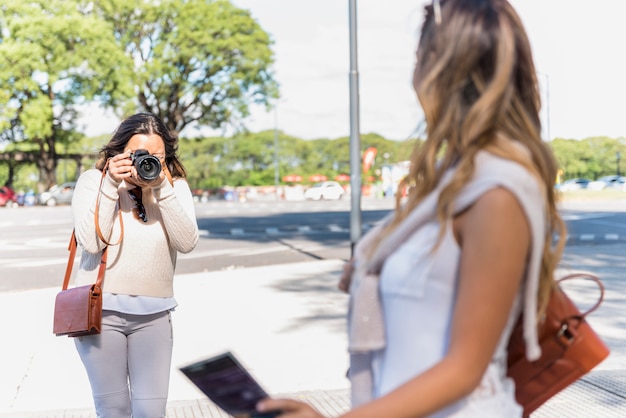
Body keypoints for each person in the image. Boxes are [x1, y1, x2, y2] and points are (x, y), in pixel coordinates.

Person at [257, 0, 566, 417]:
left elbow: (463, 369)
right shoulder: (451, 177)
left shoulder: (500, 188)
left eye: (419, 59)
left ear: (441, 69)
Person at [71, 112, 199, 417]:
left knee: (151, 412)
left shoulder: (174, 187)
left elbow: (187, 242)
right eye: (138, 154)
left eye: (157, 156)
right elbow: (91, 242)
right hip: (99, 314)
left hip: (154, 316)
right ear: (119, 153)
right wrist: (111, 184)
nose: (147, 162)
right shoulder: (94, 181)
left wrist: (162, 189)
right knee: (113, 410)